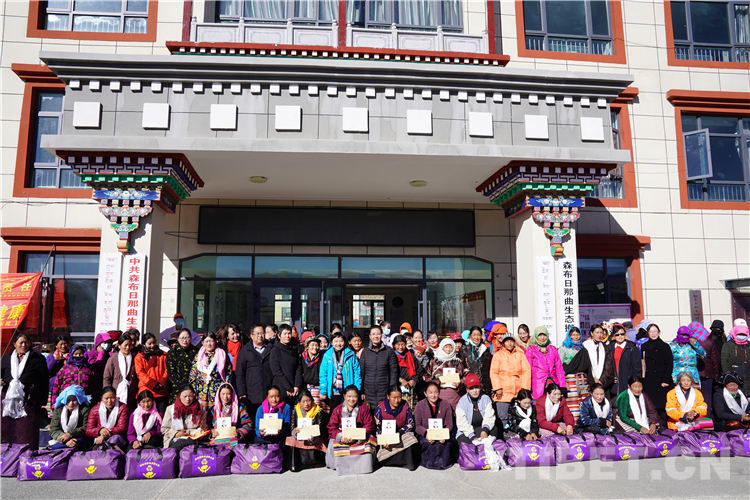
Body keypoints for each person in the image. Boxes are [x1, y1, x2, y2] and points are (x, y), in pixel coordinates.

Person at [1, 333, 49, 449]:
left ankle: (27, 454)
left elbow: (44, 381)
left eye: (26, 342)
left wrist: (42, 401)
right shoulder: (6, 358)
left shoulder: (37, 358)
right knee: (7, 428)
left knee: (27, 429)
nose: (24, 345)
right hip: (9, 399)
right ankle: (6, 453)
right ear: (14, 344)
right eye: (21, 342)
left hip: (29, 399)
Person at [325, 385, 377, 476]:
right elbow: (331, 427)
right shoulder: (337, 409)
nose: (351, 399)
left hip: (359, 436)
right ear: (344, 396)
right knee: (332, 442)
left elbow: (369, 425)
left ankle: (363, 466)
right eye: (349, 396)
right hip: (343, 436)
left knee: (371, 440)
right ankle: (339, 465)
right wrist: (341, 437)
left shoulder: (364, 408)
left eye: (355, 396)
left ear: (358, 397)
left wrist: (357, 436)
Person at [490, 331, 532, 426]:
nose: (509, 343)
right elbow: (493, 372)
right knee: (503, 417)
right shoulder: (498, 355)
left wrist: (524, 389)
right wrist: (497, 388)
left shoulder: (520, 354)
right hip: (503, 392)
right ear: (503, 343)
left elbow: (526, 370)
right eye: (507, 341)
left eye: (511, 341)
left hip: (518, 391)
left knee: (518, 417)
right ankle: (503, 434)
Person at [373, 385, 419, 471]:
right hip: (385, 437)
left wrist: (400, 433)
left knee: (410, 438)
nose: (396, 400)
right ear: (388, 396)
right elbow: (377, 428)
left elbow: (410, 424)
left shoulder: (406, 406)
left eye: (399, 397)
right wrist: (383, 440)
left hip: (400, 435)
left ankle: (408, 463)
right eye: (393, 397)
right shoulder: (380, 408)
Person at [236, 324, 274, 419]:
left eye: (262, 333)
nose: (260, 336)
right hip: (252, 394)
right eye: (257, 333)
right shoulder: (245, 351)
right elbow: (239, 374)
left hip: (269, 393)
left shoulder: (271, 348)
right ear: (251, 336)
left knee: (269, 421)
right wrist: (241, 393)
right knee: (253, 421)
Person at [414, 381, 454, 470]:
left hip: (442, 434)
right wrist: (426, 434)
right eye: (430, 393)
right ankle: (428, 463)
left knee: (444, 444)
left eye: (436, 392)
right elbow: (417, 426)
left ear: (439, 392)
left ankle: (443, 463)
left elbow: (449, 424)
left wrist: (444, 435)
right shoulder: (420, 405)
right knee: (427, 444)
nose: (433, 395)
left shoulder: (446, 405)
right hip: (426, 434)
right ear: (425, 393)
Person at [190, 331, 232, 413]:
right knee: (202, 415)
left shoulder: (222, 355)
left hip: (217, 391)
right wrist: (193, 390)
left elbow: (228, 373)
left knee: (216, 414)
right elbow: (193, 374)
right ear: (202, 343)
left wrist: (226, 389)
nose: (209, 344)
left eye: (211, 341)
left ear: (216, 341)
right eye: (206, 341)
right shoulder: (198, 356)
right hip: (201, 392)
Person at [642, 323, 674, 429]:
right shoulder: (644, 347)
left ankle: (664, 427)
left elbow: (669, 364)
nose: (653, 334)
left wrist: (666, 380)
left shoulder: (664, 346)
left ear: (659, 332)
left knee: (662, 405)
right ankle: (653, 426)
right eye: (651, 332)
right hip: (649, 379)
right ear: (648, 333)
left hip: (661, 379)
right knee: (651, 405)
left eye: (655, 331)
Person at [319, 331, 362, 412]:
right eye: (335, 341)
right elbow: (323, 374)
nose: (338, 344)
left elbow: (357, 373)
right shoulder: (327, 355)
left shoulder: (351, 354)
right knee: (335, 413)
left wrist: (357, 389)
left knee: (349, 413)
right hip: (333, 391)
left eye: (341, 341)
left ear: (344, 342)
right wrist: (323, 390)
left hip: (348, 391)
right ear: (332, 343)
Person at [286, 389, 327, 471]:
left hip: (314, 437)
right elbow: (292, 428)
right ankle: (297, 462)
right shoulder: (295, 410)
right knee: (290, 439)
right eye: (303, 401)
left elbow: (320, 429)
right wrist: (295, 432)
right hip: (300, 437)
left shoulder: (318, 410)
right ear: (299, 402)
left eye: (308, 400)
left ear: (312, 400)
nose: (306, 404)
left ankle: (316, 461)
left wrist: (314, 437)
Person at [359, 325, 399, 409]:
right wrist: (361, 390)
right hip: (368, 392)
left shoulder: (388, 351)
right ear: (370, 336)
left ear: (381, 335)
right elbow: (361, 372)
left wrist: (392, 390)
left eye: (378, 334)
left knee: (384, 414)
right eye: (373, 334)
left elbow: (393, 371)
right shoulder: (365, 352)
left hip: (384, 391)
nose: (376, 336)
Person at [455, 374, 498, 445]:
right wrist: (472, 436)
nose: (475, 391)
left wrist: (485, 430)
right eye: (471, 388)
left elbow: (489, 416)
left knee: (494, 429)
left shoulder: (486, 399)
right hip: (467, 432)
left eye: (477, 387)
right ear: (467, 389)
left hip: (482, 429)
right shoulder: (462, 403)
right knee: (464, 442)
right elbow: (462, 423)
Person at [162, 384, 208, 450]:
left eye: (190, 396)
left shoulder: (200, 409)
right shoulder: (170, 409)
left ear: (194, 395)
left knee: (190, 443)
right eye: (185, 396)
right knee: (179, 444)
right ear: (179, 395)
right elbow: (164, 429)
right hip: (173, 438)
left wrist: (189, 433)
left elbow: (203, 427)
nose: (187, 399)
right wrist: (176, 434)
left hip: (193, 438)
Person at [424, 338, 465, 410]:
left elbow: (466, 376)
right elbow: (425, 376)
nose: (448, 349)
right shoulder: (434, 361)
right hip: (438, 395)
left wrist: (459, 384)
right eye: (446, 347)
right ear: (442, 348)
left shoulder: (458, 362)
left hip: (455, 396)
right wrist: (438, 382)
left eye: (450, 347)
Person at [525, 326, 565, 401]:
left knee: (554, 403)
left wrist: (562, 386)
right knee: (540, 404)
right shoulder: (531, 350)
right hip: (538, 383)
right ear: (536, 336)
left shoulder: (553, 349)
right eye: (539, 335)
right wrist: (527, 387)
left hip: (553, 382)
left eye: (544, 335)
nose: (542, 338)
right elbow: (527, 369)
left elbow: (559, 368)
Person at [559, 326, 590, 419]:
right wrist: (563, 382)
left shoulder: (582, 349)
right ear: (569, 336)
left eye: (577, 334)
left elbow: (588, 366)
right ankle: (573, 422)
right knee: (573, 403)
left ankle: (584, 422)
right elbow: (559, 367)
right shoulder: (563, 348)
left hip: (583, 381)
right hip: (570, 380)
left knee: (584, 403)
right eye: (573, 335)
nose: (576, 337)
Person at [208, 382, 253, 448]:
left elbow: (249, 424)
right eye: (223, 394)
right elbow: (207, 426)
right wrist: (212, 433)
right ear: (219, 394)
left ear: (232, 394)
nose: (225, 397)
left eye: (228, 394)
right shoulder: (213, 410)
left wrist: (239, 432)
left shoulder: (238, 409)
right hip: (217, 440)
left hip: (233, 440)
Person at [86, 386, 129, 451]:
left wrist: (104, 434)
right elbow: (89, 430)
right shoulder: (94, 410)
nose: (109, 401)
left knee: (113, 442)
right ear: (101, 398)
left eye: (112, 397)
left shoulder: (123, 408)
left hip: (116, 436)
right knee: (100, 446)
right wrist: (100, 430)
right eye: (106, 398)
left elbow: (122, 428)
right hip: (99, 437)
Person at [135, 333, 169, 414]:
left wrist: (163, 381)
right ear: (144, 344)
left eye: (154, 343)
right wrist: (152, 384)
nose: (152, 345)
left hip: (161, 390)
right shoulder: (139, 356)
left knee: (161, 416)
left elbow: (167, 370)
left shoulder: (163, 355)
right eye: (149, 344)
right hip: (146, 390)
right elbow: (140, 373)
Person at [48, 385, 90, 450]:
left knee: (75, 445)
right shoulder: (58, 410)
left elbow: (85, 427)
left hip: (78, 437)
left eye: (74, 400)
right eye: (68, 400)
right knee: (55, 447)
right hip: (62, 438)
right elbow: (53, 430)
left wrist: (69, 434)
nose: (71, 403)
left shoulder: (84, 409)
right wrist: (65, 439)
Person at [270, 324, 304, 405]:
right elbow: (276, 371)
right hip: (281, 387)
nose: (287, 336)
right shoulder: (275, 350)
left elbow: (299, 367)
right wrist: (287, 387)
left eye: (289, 333)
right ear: (279, 336)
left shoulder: (295, 348)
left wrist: (297, 385)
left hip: (295, 389)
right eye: (285, 334)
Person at [103, 335, 138, 410]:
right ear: (119, 346)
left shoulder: (134, 358)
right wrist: (108, 393)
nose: (128, 347)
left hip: (131, 394)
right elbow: (107, 378)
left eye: (130, 345)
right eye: (125, 345)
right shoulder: (113, 359)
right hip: (116, 393)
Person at [608, 324, 641, 399]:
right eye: (617, 335)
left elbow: (637, 367)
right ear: (613, 336)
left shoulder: (632, 348)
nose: (620, 336)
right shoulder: (610, 347)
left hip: (627, 381)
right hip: (614, 384)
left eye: (622, 334)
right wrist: (610, 377)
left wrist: (635, 381)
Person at [166, 328, 199, 404]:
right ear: (178, 338)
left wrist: (192, 387)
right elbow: (171, 373)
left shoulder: (196, 351)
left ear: (190, 338)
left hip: (193, 389)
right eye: (182, 338)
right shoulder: (172, 353)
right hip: (177, 389)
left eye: (187, 338)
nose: (185, 340)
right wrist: (183, 387)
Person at [460, 325, 493, 396]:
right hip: (470, 385)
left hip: (484, 385)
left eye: (478, 335)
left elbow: (489, 367)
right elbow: (462, 367)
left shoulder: (486, 350)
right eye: (474, 335)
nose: (476, 337)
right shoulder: (464, 349)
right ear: (470, 336)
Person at [392, 334, 422, 410]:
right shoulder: (391, 356)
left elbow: (419, 370)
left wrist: (414, 380)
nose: (400, 347)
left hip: (411, 390)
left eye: (403, 344)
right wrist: (400, 380)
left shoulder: (410, 355)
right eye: (398, 344)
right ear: (394, 345)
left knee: (411, 411)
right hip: (396, 389)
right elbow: (389, 372)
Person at [698, 324, 721, 419]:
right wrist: (716, 374)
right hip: (708, 372)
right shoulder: (709, 341)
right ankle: (707, 417)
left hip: (692, 374)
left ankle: (696, 416)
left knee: (694, 396)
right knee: (707, 395)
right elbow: (715, 359)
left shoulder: (690, 342)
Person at [583, 324, 614, 392]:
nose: (599, 335)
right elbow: (585, 364)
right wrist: (593, 378)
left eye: (601, 333)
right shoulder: (585, 346)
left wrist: (601, 381)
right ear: (592, 333)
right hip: (588, 381)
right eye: (597, 333)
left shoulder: (606, 347)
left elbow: (608, 366)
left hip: (603, 383)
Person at [45, 335, 71, 417]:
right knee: (56, 410)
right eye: (61, 344)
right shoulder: (51, 357)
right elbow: (47, 371)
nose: (63, 346)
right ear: (56, 345)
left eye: (65, 343)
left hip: (68, 386)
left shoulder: (71, 356)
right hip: (54, 387)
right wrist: (55, 360)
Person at [721, 324, 750, 396]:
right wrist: (728, 374)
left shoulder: (748, 346)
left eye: (744, 335)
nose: (741, 336)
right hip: (734, 376)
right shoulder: (728, 345)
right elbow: (724, 361)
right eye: (739, 334)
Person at [301, 336, 325, 411]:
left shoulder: (322, 358)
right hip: (305, 388)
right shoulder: (302, 357)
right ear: (307, 346)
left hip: (318, 388)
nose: (315, 347)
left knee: (317, 410)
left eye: (317, 345)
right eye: (312, 345)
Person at [87, 332, 113, 399]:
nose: (107, 345)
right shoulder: (91, 354)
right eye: (104, 343)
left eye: (108, 343)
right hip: (95, 384)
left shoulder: (109, 354)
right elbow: (96, 367)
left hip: (106, 383)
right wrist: (101, 353)